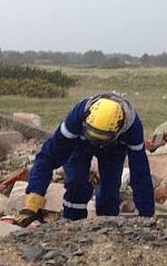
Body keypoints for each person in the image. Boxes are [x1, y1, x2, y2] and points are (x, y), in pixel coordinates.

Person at [15, 92, 155, 226]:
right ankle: (72, 223)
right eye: (92, 137)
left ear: (118, 131)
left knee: (110, 191)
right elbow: (48, 156)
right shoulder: (76, 118)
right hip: (80, 145)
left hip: (113, 150)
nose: (96, 144)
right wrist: (33, 201)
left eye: (100, 140)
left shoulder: (133, 129)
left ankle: (107, 227)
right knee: (76, 182)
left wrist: (147, 215)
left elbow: (140, 172)